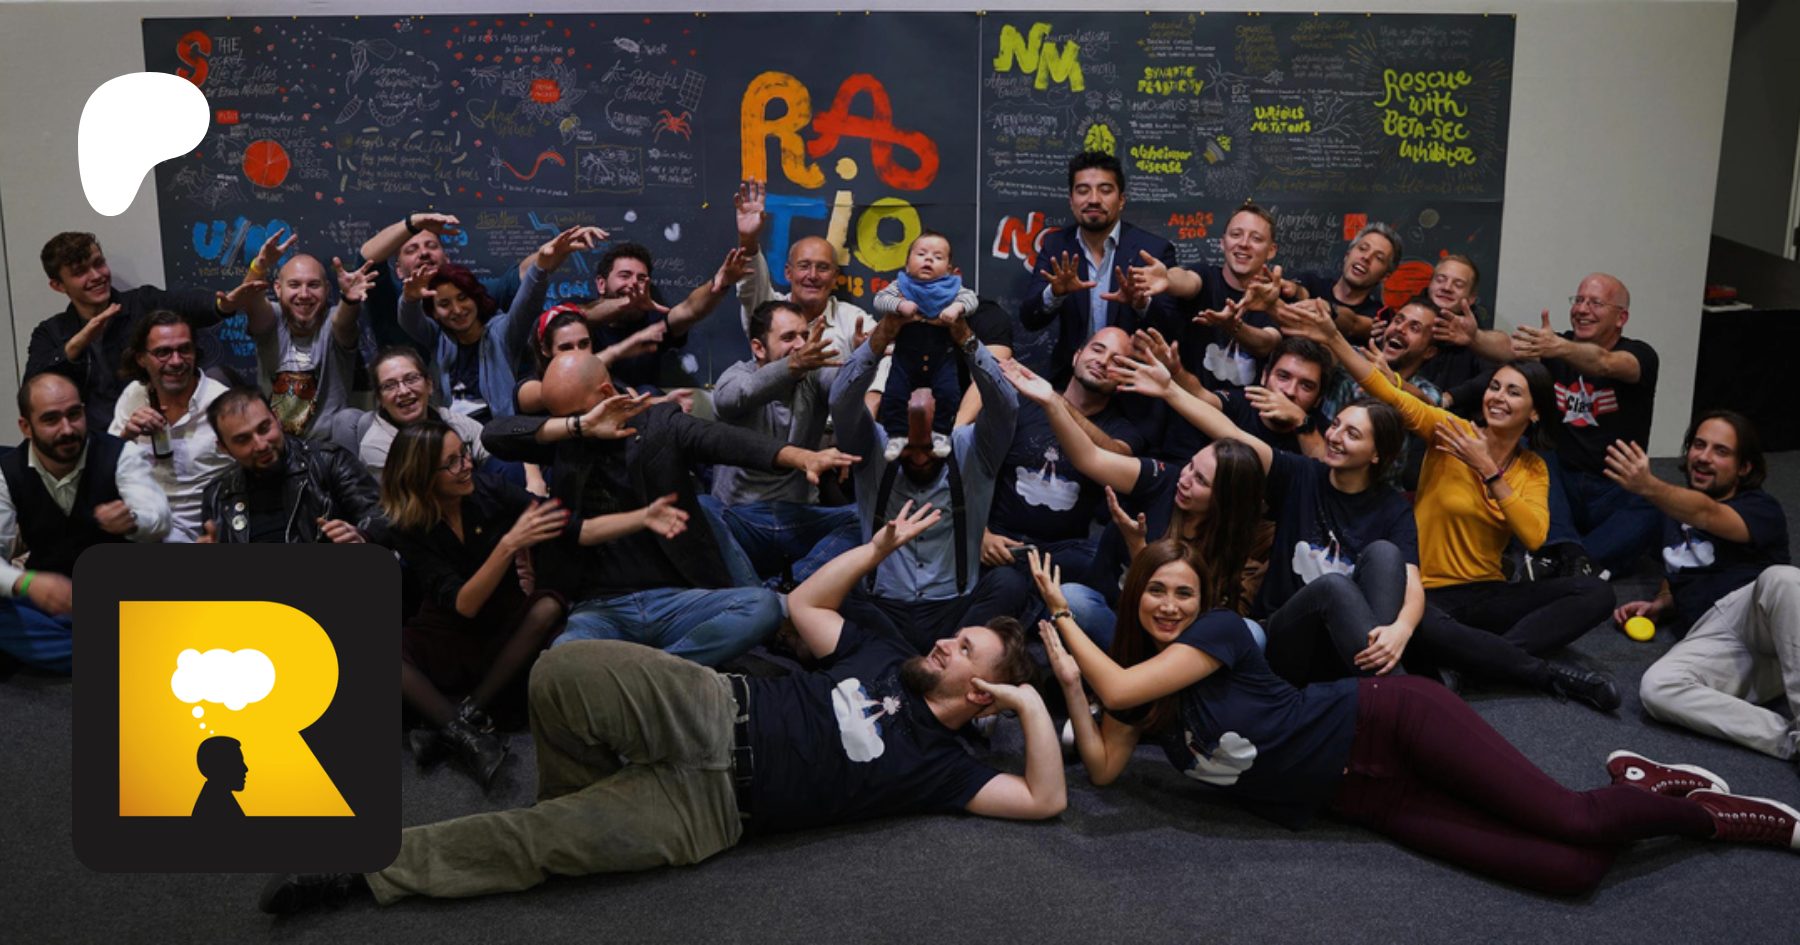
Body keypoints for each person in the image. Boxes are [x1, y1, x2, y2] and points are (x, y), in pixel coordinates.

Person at [258, 501, 1065, 914]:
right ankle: (579, 799)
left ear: (982, 692)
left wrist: (1028, 699)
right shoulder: (883, 654)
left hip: (709, 813)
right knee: (558, 670)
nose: (946, 643)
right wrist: (876, 548)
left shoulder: (945, 768)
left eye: (965, 650)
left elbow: (1044, 798)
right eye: (956, 637)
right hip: (707, 706)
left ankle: (364, 871)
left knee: (539, 842)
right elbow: (803, 605)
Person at [1031, 537, 1800, 899]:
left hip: (1390, 720)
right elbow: (1103, 765)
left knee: (1573, 817)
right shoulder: (1141, 699)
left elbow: (1118, 678)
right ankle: (1644, 787)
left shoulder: (1219, 633)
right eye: (1156, 590)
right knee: (1568, 870)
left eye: (1183, 592)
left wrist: (1064, 615)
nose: (1170, 605)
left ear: (1203, 602)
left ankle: (1718, 815)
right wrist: (1069, 682)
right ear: (1136, 597)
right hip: (1369, 800)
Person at [1276, 298, 1619, 711]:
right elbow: (1387, 393)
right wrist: (1334, 338)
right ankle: (1543, 674)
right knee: (1416, 627)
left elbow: (1533, 536)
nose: (1497, 397)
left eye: (1513, 392)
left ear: (1533, 413)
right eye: (1494, 387)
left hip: (1487, 592)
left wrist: (1488, 470)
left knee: (1596, 592)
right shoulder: (1451, 430)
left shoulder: (1533, 468)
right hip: (1425, 595)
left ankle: (1474, 665)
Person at [481, 352, 856, 666]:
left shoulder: (659, 425)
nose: (571, 423)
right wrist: (576, 425)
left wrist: (801, 456)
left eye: (578, 413)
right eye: (563, 417)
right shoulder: (568, 437)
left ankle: (655, 673)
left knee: (763, 609)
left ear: (607, 393)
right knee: (563, 657)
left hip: (675, 601)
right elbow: (493, 436)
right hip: (600, 609)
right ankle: (659, 675)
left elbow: (723, 440)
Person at [1109, 350, 1422, 686]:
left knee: (1385, 553)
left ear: (1377, 455)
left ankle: (1381, 684)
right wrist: (1170, 390)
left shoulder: (1393, 508)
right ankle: (1397, 693)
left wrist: (1401, 630)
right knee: (1333, 587)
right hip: (1284, 635)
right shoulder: (1300, 474)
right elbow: (1232, 434)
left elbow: (1411, 584)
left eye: (1352, 434)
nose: (1334, 437)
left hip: (1344, 643)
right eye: (1335, 425)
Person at [380, 422, 577, 789]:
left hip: (502, 622)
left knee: (549, 606)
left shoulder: (489, 489)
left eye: (464, 453)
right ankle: (468, 737)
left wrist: (639, 518)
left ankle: (457, 720)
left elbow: (565, 522)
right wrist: (508, 544)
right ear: (423, 477)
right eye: (452, 462)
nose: (467, 465)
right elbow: (462, 604)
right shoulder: (405, 525)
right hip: (446, 628)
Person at [828, 308, 1029, 654]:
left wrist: (966, 340)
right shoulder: (874, 446)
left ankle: (908, 662)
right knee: (833, 582)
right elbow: (842, 402)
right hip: (882, 609)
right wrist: (881, 338)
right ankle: (914, 664)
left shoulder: (972, 449)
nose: (920, 458)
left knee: (1008, 584)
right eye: (909, 447)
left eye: (929, 447)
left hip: (957, 611)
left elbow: (1004, 406)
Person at [1437, 272, 1662, 577]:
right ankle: (1572, 553)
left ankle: (1567, 562)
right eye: (1578, 300)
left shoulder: (1640, 355)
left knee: (1658, 502)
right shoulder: (1555, 345)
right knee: (1530, 447)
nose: (1582, 309)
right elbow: (1509, 348)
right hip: (1560, 483)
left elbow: (1605, 363)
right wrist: (1475, 338)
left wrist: (1559, 348)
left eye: (1595, 303)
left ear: (1621, 318)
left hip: (1613, 490)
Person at [1606, 412, 1797, 763]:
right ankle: (1788, 741)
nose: (1704, 457)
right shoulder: (1673, 511)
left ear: (1744, 467)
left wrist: (1649, 485)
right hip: (1715, 639)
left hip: (1761, 620)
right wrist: (1664, 600)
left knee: (1784, 579)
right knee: (1658, 687)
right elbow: (1680, 561)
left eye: (1721, 451)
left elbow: (1707, 514)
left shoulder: (1760, 508)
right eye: (1699, 445)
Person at [0, 371, 171, 673]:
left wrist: (132, 521)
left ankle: (61, 651)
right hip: (50, 600)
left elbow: (159, 518)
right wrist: (27, 582)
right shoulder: (7, 472)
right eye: (51, 419)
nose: (67, 429)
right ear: (26, 427)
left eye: (74, 414)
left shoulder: (121, 455)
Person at [29, 231, 265, 434]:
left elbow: (186, 304)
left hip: (157, 431)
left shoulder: (141, 302)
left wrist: (223, 305)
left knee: (219, 376)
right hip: (94, 446)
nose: (96, 276)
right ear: (58, 285)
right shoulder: (50, 333)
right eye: (80, 272)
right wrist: (78, 343)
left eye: (98, 263)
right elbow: (33, 393)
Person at [704, 300, 860, 588]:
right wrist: (793, 365)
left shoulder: (813, 377)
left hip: (798, 517)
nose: (800, 344)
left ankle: (785, 589)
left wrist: (861, 361)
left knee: (866, 518)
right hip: (742, 518)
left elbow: (844, 392)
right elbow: (731, 398)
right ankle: (758, 595)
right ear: (759, 348)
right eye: (789, 337)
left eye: (804, 335)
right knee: (702, 508)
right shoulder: (737, 376)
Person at [984, 327, 1144, 582]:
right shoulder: (1021, 404)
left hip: (1063, 553)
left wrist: (1054, 401)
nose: (1103, 361)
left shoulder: (1122, 430)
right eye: (1097, 350)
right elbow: (973, 469)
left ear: (1124, 380)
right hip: (1001, 541)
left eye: (1116, 361)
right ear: (1076, 356)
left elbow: (1116, 455)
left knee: (1102, 561)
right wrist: (981, 535)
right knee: (1006, 584)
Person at [1016, 150, 1177, 387]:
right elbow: (1030, 320)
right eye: (1083, 191)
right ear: (1071, 200)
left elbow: (1174, 328)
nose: (1093, 199)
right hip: (1071, 381)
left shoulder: (1152, 250)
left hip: (1133, 383)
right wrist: (1055, 293)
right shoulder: (1056, 245)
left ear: (1121, 200)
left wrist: (1141, 304)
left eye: (1105, 190)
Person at [398, 226, 593, 421]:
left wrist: (541, 266)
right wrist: (409, 298)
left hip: (497, 428)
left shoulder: (501, 332)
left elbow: (527, 305)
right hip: (449, 428)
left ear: (475, 298)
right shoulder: (437, 337)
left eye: (463, 298)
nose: (457, 310)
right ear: (434, 313)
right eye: (444, 304)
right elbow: (410, 321)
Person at [735, 178, 884, 399]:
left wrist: (872, 393)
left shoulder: (852, 320)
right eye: (804, 266)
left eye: (822, 268)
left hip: (833, 420)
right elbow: (751, 284)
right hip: (772, 417)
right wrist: (748, 239)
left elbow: (886, 355)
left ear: (834, 277)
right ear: (788, 273)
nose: (812, 276)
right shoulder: (769, 311)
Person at [1126, 203, 1285, 392]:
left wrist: (1234, 326)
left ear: (1271, 250)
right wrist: (1168, 279)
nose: (1243, 243)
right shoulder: (1206, 277)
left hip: (1245, 408)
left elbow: (1268, 343)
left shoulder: (1274, 298)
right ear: (1223, 242)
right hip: (1188, 401)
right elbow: (1187, 280)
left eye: (1256, 238)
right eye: (1236, 235)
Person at [196, 388, 384, 544]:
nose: (261, 445)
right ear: (224, 448)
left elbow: (380, 518)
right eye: (243, 439)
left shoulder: (328, 461)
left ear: (277, 420)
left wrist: (362, 535)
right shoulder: (218, 496)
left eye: (264, 429)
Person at [109, 311, 234, 542]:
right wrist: (127, 436)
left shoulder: (224, 404)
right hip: (139, 530)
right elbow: (105, 470)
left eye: (184, 350)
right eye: (163, 352)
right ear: (141, 359)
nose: (176, 361)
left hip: (202, 536)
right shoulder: (134, 394)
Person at [237, 230, 373, 438]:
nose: (304, 294)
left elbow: (344, 322)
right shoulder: (273, 319)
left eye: (313, 285)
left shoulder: (333, 321)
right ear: (278, 289)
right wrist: (259, 266)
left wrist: (350, 299)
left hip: (329, 445)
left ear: (327, 290)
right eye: (294, 285)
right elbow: (251, 301)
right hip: (277, 444)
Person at [1132, 328, 1331, 462]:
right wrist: (1175, 371)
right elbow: (1203, 397)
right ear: (1264, 376)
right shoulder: (1244, 401)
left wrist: (1301, 421)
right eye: (1283, 376)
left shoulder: (1323, 432)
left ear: (1318, 400)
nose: (1290, 391)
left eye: (1306, 386)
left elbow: (1327, 475)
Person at [578, 241, 750, 390]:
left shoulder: (653, 323)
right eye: (624, 276)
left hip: (642, 407)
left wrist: (720, 283)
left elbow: (690, 309)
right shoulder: (581, 315)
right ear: (601, 284)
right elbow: (581, 316)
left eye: (641, 278)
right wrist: (627, 302)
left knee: (649, 391)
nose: (633, 283)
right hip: (587, 404)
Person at [871, 230, 982, 433]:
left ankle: (942, 433)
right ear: (907, 264)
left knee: (949, 395)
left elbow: (971, 300)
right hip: (905, 357)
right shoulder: (901, 287)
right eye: (921, 254)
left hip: (942, 358)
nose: (929, 259)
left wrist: (956, 308)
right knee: (894, 395)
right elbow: (879, 299)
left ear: (949, 269)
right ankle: (895, 434)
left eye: (938, 257)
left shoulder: (952, 289)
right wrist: (899, 305)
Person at [327, 347, 489, 482]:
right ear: (380, 399)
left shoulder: (450, 419)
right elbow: (417, 498)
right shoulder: (376, 447)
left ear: (429, 385)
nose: (403, 391)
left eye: (411, 379)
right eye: (390, 386)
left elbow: (489, 451)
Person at [1290, 223, 1403, 342]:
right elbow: (1299, 291)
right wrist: (1290, 289)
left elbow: (1354, 324)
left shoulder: (1379, 317)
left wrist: (1329, 309)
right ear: (1347, 255)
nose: (1366, 257)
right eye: (1363, 248)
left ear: (1385, 277)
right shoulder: (1311, 283)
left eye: (1378, 258)